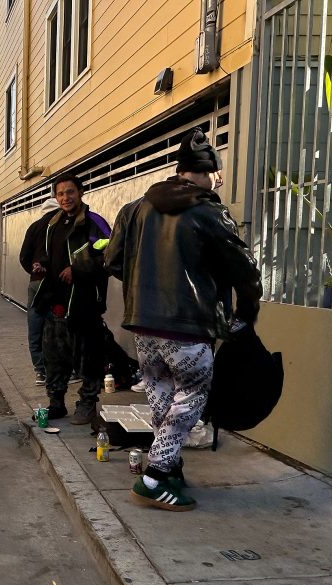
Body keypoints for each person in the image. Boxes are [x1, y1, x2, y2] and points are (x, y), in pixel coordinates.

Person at [105, 128, 262, 511]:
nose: (220, 179)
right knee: (191, 396)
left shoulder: (136, 208)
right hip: (188, 325)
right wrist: (247, 311)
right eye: (216, 171)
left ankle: (171, 471)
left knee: (161, 395)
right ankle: (154, 477)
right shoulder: (209, 211)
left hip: (143, 323)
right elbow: (243, 269)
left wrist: (146, 288)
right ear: (201, 172)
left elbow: (112, 259)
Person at [28, 174, 111, 425]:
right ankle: (56, 403)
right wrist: (39, 266)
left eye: (70, 192)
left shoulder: (94, 222)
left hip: (84, 306)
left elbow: (110, 253)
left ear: (81, 192)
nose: (65, 197)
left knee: (88, 359)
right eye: (61, 193)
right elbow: (43, 256)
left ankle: (86, 404)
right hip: (55, 306)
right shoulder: (52, 224)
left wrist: (78, 269)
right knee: (54, 358)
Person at [19, 203, 58, 386]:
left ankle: (40, 371)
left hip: (36, 282)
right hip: (57, 283)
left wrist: (34, 271)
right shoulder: (61, 226)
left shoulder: (33, 227)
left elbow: (23, 256)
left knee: (35, 326)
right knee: (59, 326)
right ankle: (62, 369)